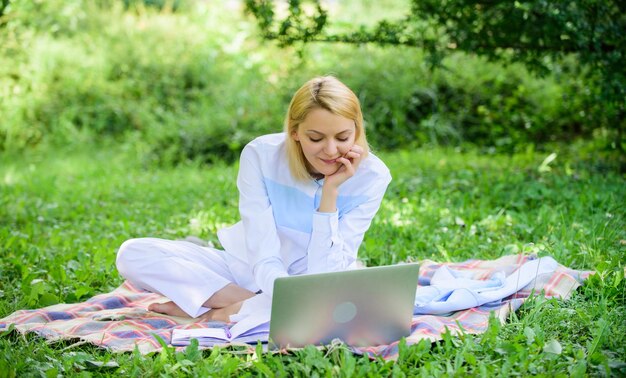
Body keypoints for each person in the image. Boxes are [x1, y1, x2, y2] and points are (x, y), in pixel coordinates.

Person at [116, 75, 392, 322]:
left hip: (319, 283)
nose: (331, 150)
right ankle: (251, 307)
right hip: (249, 269)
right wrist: (280, 299)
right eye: (316, 138)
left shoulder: (373, 176)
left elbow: (326, 275)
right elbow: (263, 251)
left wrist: (330, 193)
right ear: (295, 132)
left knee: (326, 295)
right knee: (133, 253)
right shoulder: (261, 155)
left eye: (343, 137)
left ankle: (215, 307)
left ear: (356, 131)